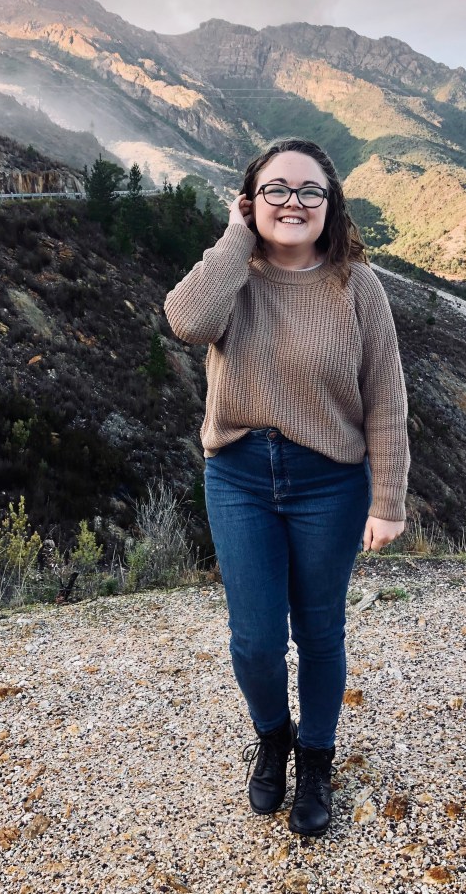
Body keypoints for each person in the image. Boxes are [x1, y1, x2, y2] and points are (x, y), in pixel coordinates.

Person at [164, 137, 409, 837]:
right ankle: (273, 736)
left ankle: (317, 758)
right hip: (240, 475)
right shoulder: (232, 276)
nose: (293, 202)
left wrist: (388, 499)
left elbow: (386, 397)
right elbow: (186, 321)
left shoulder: (358, 285)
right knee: (256, 640)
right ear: (251, 199)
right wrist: (235, 239)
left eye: (309, 191)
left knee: (321, 629)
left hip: (330, 480)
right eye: (276, 189)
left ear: (331, 206)